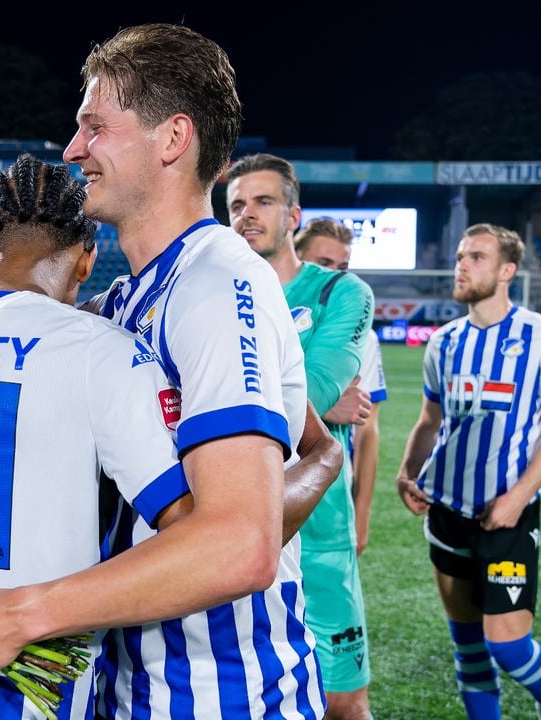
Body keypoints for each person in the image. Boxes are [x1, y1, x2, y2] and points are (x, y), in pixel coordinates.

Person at [0, 24, 336, 720]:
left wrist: (23, 615)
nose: (73, 149)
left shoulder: (221, 281)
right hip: (134, 685)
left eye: (96, 127)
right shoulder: (128, 301)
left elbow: (241, 545)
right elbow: (309, 435)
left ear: (173, 139)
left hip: (222, 695)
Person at [395, 223, 541, 720]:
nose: (461, 264)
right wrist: (407, 471)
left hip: (507, 517)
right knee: (469, 648)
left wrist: (517, 497)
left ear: (506, 271)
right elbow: (429, 420)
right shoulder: (444, 342)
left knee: (508, 648)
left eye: (476, 256)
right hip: (445, 511)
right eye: (460, 255)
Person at [227, 155, 375, 720]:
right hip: (236, 527)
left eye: (262, 201)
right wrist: (313, 401)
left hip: (318, 532)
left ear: (294, 213)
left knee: (344, 703)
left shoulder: (341, 292)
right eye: (237, 204)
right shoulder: (216, 293)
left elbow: (323, 375)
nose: (247, 214)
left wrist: (243, 399)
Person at [295, 218, 389, 557]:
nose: (337, 275)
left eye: (343, 266)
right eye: (324, 264)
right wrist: (320, 403)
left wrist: (361, 516)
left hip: (328, 501)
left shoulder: (361, 336)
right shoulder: (263, 318)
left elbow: (368, 433)